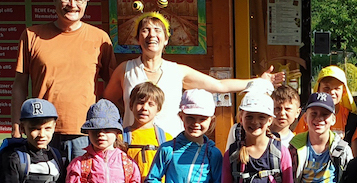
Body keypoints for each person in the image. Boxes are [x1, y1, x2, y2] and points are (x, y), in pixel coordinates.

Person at [104, 11, 283, 137]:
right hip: (134, 146)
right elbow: (108, 104)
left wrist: (259, 81)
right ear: (137, 38)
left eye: (158, 31)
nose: (152, 35)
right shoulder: (125, 69)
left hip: (170, 146)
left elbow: (219, 86)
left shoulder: (177, 71)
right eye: (146, 30)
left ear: (166, 39)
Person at [12, 0, 116, 160]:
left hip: (86, 134)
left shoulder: (100, 39)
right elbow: (19, 85)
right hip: (41, 132)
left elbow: (113, 88)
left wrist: (110, 129)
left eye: (79, 0)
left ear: (86, 3)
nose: (72, 5)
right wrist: (17, 126)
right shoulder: (31, 35)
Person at [294, 65, 357, 150]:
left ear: (344, 91)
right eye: (326, 88)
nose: (332, 92)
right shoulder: (308, 117)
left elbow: (354, 155)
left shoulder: (351, 120)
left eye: (337, 88)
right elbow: (296, 147)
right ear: (318, 89)